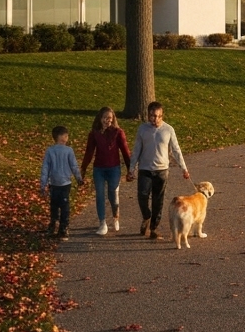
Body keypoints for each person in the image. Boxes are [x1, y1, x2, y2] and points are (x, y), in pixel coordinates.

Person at [129, 101, 188, 240]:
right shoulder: (142, 129)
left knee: (158, 200)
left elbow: (176, 150)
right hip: (145, 168)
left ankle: (154, 228)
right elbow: (137, 149)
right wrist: (132, 168)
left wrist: (184, 168)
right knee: (142, 195)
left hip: (161, 170)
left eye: (157, 116)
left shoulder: (168, 130)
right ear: (148, 115)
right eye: (151, 116)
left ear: (162, 116)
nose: (154, 119)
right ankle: (146, 216)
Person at [81, 106, 130, 236]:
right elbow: (89, 152)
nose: (107, 121)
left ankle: (115, 216)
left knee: (113, 194)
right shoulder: (94, 134)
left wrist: (130, 169)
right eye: (104, 118)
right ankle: (102, 223)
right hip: (99, 169)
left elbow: (125, 151)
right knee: (100, 195)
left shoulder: (118, 132)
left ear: (113, 119)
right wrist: (83, 168)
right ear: (100, 118)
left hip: (114, 168)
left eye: (109, 118)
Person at [39, 126, 83, 240]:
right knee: (64, 206)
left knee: (54, 205)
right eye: (66, 135)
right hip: (65, 183)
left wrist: (43, 184)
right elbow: (74, 166)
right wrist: (78, 178)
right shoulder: (69, 150)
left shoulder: (50, 151)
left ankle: (53, 225)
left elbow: (45, 168)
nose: (67, 138)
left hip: (53, 183)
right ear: (62, 137)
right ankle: (63, 228)